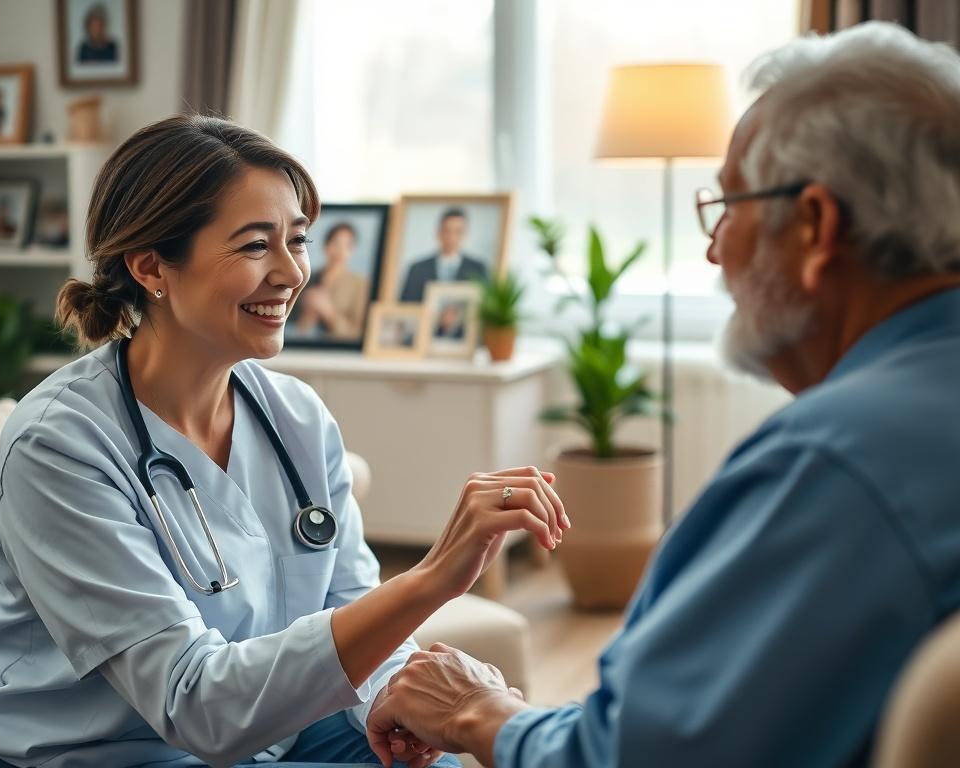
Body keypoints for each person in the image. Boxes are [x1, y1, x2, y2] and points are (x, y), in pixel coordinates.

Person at [364, 22, 960, 768]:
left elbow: (630, 757)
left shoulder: (835, 461)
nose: (714, 249)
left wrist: (481, 710)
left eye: (728, 210)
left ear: (814, 226)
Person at [0, 114, 569, 768]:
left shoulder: (295, 415)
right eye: (253, 246)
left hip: (265, 735)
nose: (291, 273)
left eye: (296, 241)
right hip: (90, 754)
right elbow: (193, 702)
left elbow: (349, 604)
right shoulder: (60, 445)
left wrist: (392, 693)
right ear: (152, 266)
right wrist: (433, 578)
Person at [294, 222, 371, 339]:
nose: (340, 251)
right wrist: (309, 312)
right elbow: (297, 330)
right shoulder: (307, 277)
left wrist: (328, 312)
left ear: (352, 250)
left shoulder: (360, 284)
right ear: (326, 246)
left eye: (347, 245)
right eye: (336, 243)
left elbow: (358, 333)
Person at [399, 209, 487, 303]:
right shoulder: (417, 269)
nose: (451, 237)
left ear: (465, 234)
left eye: (458, 232)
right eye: (447, 231)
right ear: (438, 232)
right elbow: (406, 306)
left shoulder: (477, 269)